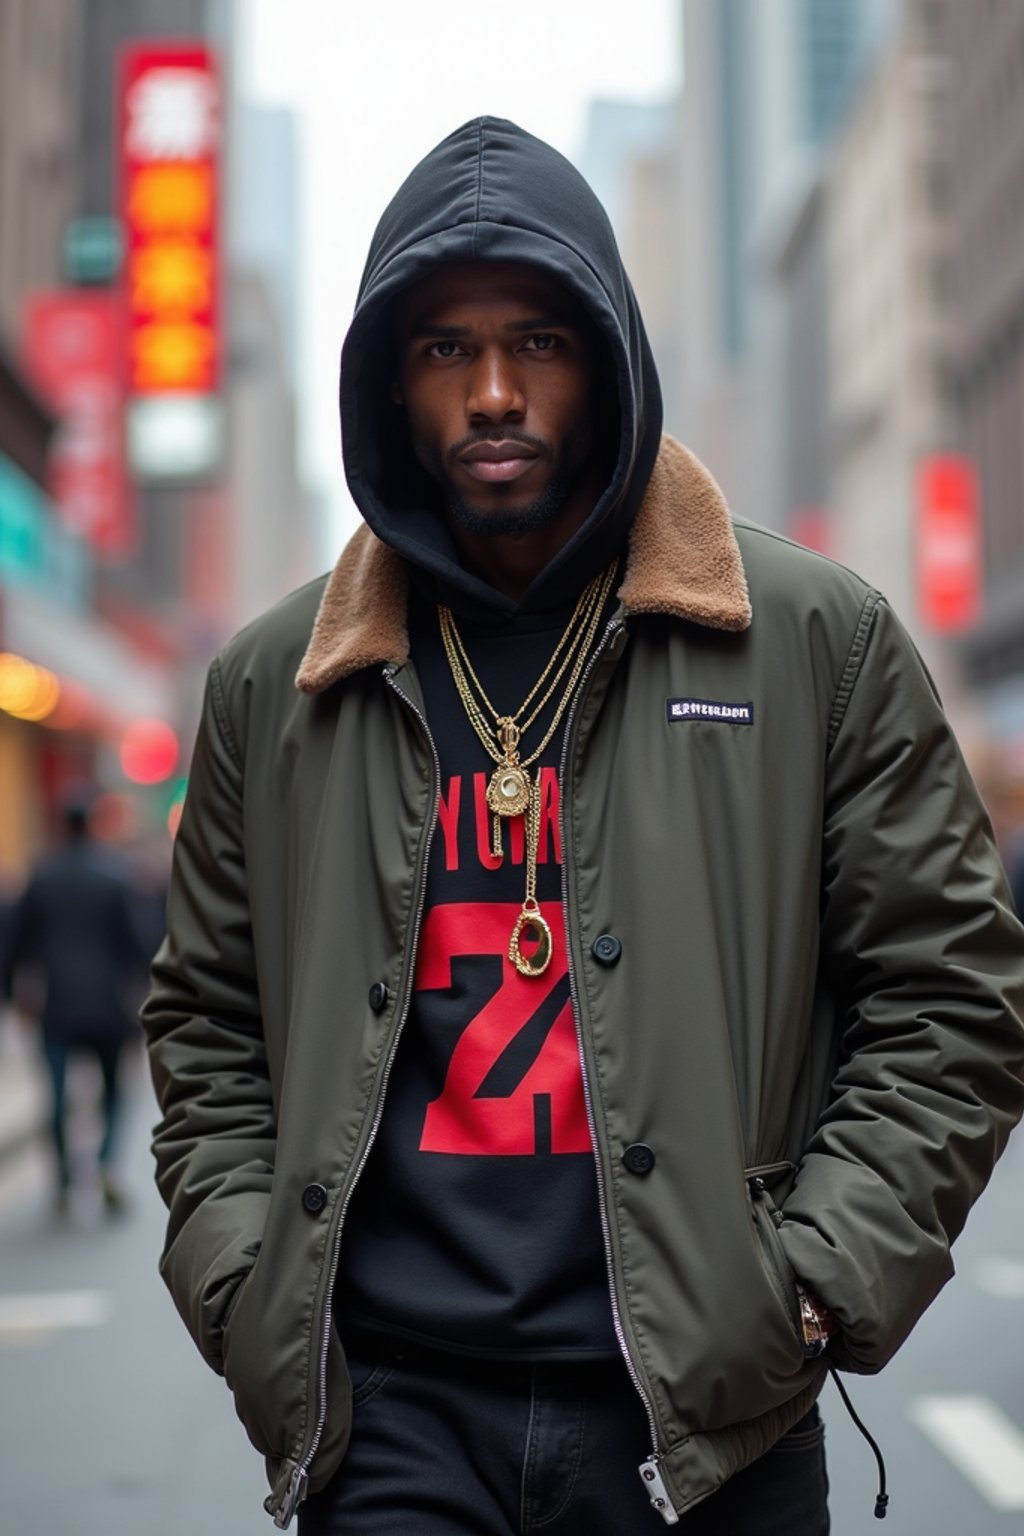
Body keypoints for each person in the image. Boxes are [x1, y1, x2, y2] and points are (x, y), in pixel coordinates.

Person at [142, 119, 1024, 1533]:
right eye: (445, 351)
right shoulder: (276, 679)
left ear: (608, 358)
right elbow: (205, 1025)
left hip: (707, 1422)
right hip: (390, 1422)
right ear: (388, 383)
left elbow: (953, 997)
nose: (495, 391)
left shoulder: (813, 642)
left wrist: (807, 1284)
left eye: (539, 341)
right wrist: (248, 1282)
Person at [4, 791, 146, 1214]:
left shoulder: (42, 876)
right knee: (116, 1091)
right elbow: (138, 943)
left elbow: (14, 943)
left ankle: (65, 1179)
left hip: (56, 1004)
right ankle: (105, 1162)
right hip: (108, 1004)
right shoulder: (117, 876)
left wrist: (12, 994)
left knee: (57, 1093)